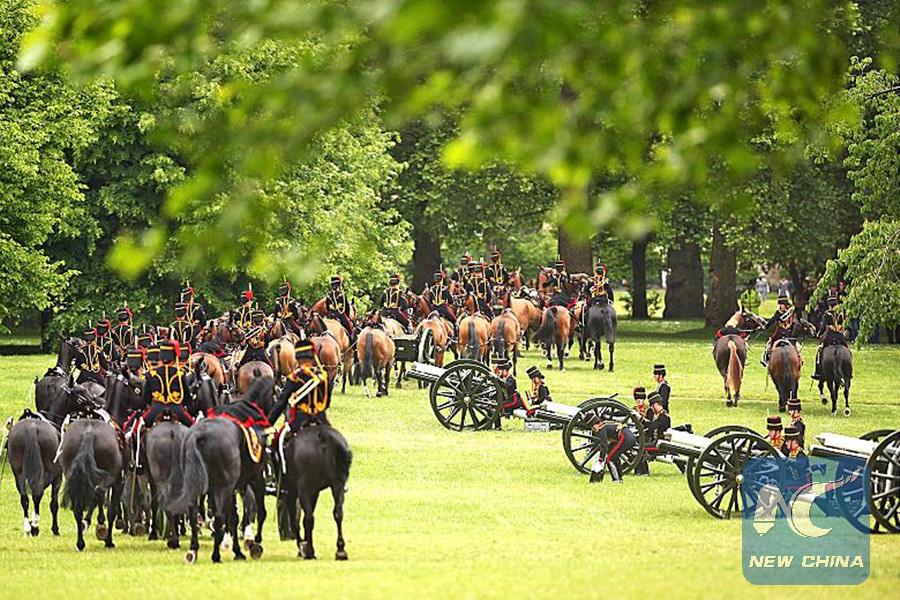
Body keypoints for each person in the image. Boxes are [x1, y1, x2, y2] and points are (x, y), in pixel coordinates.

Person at [268, 342, 331, 436]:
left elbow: (281, 403)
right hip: (321, 419)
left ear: (297, 358)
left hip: (299, 421)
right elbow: (327, 403)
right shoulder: (323, 376)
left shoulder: (294, 377)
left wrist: (269, 423)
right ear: (312, 357)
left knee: (277, 442)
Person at [138, 340, 195, 430]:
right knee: (194, 428)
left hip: (156, 409)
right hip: (177, 409)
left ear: (160, 358)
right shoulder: (180, 374)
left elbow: (147, 398)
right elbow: (186, 397)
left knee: (136, 430)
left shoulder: (152, 374)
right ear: (173, 359)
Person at [811, 291, 847, 381]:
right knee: (847, 350)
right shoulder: (841, 313)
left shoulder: (827, 314)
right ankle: (847, 369)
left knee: (819, 352)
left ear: (829, 304)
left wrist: (818, 333)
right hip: (840, 336)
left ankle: (817, 372)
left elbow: (823, 327)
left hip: (830, 336)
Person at [760, 295, 795, 367]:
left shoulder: (778, 313)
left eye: (781, 304)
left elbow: (772, 320)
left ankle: (766, 358)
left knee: (769, 344)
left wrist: (765, 326)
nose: (780, 306)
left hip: (779, 333)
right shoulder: (791, 313)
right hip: (789, 333)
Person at [493, 356, 525, 425]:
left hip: (514, 400)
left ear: (505, 370)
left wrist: (497, 379)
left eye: (500, 371)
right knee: (494, 406)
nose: (499, 372)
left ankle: (498, 426)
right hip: (509, 400)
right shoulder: (505, 378)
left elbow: (506, 386)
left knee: (497, 408)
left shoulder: (511, 379)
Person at [324, 276, 355, 342]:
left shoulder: (328, 295)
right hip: (340, 314)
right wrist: (348, 316)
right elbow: (346, 306)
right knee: (349, 326)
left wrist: (329, 313)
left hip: (330, 314)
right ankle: (352, 340)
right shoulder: (342, 294)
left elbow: (327, 307)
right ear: (339, 285)